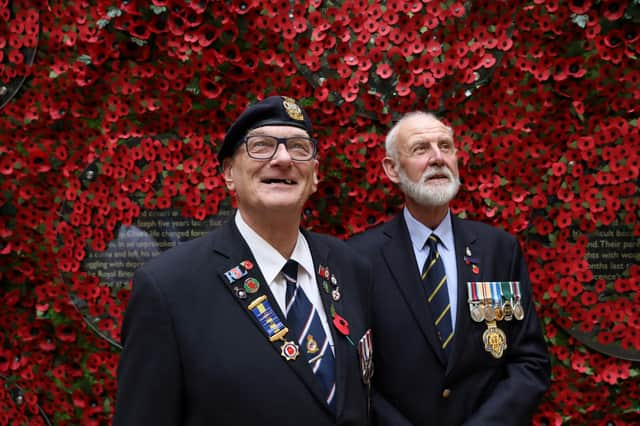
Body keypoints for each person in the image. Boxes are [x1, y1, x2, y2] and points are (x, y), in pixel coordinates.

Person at [114, 96, 374, 426]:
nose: (282, 159)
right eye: (261, 146)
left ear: (316, 175)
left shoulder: (350, 269)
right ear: (228, 174)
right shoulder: (169, 287)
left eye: (298, 147)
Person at [348, 112, 550, 426]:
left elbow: (529, 361)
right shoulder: (359, 258)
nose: (438, 158)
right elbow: (354, 373)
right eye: (420, 149)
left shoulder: (498, 249)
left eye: (446, 146)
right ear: (392, 169)